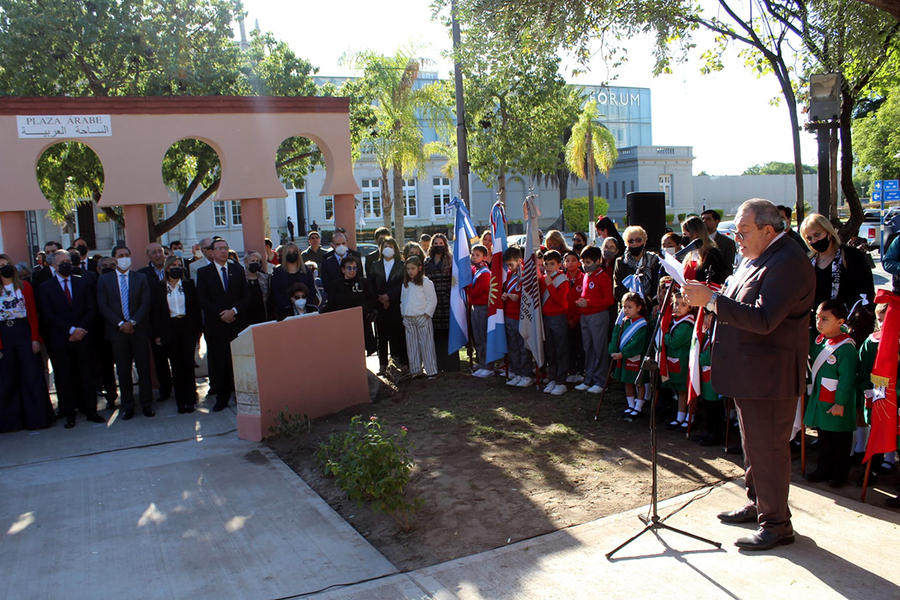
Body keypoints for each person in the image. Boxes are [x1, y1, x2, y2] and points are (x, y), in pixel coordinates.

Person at [683, 198, 815, 551]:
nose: (735, 239)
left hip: (769, 375)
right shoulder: (758, 256)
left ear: (768, 230)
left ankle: (777, 524)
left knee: (769, 448)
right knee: (753, 444)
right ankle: (759, 504)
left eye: (742, 232)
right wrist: (711, 295)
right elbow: (738, 300)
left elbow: (764, 318)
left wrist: (711, 302)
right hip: (750, 370)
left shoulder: (788, 261)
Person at [37, 250, 104, 428]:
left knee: (87, 374)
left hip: (84, 337)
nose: (66, 264)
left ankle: (91, 410)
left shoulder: (82, 283)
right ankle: (69, 413)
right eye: (62, 262)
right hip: (61, 339)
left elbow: (91, 309)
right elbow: (48, 315)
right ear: (53, 265)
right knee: (64, 376)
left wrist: (81, 329)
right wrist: (71, 330)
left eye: (68, 261)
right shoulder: (45, 288)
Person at [96, 244, 155, 420]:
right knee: (123, 370)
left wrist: (133, 321)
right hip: (117, 331)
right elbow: (103, 305)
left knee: (143, 368)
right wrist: (121, 323)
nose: (124, 258)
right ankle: (127, 405)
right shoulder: (105, 280)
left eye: (126, 255)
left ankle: (146, 404)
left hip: (138, 330)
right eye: (120, 255)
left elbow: (145, 303)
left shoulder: (140, 278)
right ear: (114, 259)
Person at [804, 299, 858, 488]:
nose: (819, 322)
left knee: (839, 441)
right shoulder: (820, 340)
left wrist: (840, 402)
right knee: (824, 438)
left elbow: (847, 379)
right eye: (817, 318)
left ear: (840, 322)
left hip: (836, 401)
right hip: (822, 399)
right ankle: (823, 469)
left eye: (825, 319)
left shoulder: (846, 347)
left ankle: (839, 474)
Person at [0, 253, 53, 432]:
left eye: (6, 264)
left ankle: (37, 418)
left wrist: (35, 339)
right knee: (8, 378)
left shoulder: (25, 287)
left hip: (24, 333)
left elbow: (32, 315)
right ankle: (11, 421)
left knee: (31, 375)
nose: (4, 268)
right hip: (4, 334)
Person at [196, 238, 249, 412]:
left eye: (226, 248)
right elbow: (202, 299)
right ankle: (222, 397)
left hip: (236, 323)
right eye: (219, 249)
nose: (224, 251)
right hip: (216, 325)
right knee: (220, 362)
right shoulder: (204, 273)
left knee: (238, 361)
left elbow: (246, 295)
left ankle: (241, 394)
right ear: (212, 252)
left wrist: (234, 311)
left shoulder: (237, 269)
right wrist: (222, 314)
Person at [150, 256, 201, 413]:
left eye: (179, 265)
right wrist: (157, 334)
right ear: (167, 268)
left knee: (188, 364)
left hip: (187, 327)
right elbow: (155, 313)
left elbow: (196, 309)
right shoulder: (159, 287)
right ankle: (181, 401)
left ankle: (190, 399)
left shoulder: (188, 285)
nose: (177, 268)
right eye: (173, 265)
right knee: (176, 365)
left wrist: (198, 331)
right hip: (170, 328)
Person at [800, 213, 874, 314]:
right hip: (817, 322)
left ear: (829, 233)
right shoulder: (808, 262)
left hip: (847, 321)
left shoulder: (851, 256)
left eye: (817, 235)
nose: (814, 241)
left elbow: (866, 290)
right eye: (809, 238)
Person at [574, 246, 614, 394]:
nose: (585, 265)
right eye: (583, 262)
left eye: (588, 262)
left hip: (598, 316)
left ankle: (600, 380)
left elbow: (609, 300)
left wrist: (589, 303)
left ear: (598, 261)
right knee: (588, 348)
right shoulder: (587, 275)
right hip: (585, 315)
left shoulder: (603, 277)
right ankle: (589, 378)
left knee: (599, 348)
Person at [139, 242, 172, 402]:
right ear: (149, 256)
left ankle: (181, 388)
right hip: (156, 324)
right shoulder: (142, 275)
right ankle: (164, 389)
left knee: (179, 358)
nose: (158, 255)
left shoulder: (174, 268)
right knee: (160, 361)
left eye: (160, 251)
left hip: (175, 321)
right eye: (154, 253)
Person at [609, 292, 649, 420]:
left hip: (635, 358)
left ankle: (639, 406)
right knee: (627, 381)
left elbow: (637, 343)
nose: (626, 310)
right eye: (624, 307)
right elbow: (618, 337)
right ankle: (631, 405)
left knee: (638, 382)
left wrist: (623, 353)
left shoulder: (642, 324)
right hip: (624, 358)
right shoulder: (624, 322)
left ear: (639, 307)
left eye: (629, 307)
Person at [370, 237, 407, 374]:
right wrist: (380, 298)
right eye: (386, 246)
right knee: (381, 337)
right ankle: (383, 365)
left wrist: (389, 296)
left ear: (395, 249)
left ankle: (400, 362)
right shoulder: (375, 265)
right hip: (380, 307)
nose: (388, 248)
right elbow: (371, 284)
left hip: (396, 305)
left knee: (398, 334)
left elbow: (402, 284)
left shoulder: (401, 265)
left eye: (391, 246)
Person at [661, 291, 695, 431]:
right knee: (680, 391)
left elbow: (674, 342)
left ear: (690, 307)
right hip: (675, 362)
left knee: (688, 391)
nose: (678, 307)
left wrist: (665, 335)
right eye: (675, 304)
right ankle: (680, 416)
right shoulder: (674, 321)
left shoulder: (686, 324)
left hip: (684, 362)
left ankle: (690, 417)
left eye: (683, 305)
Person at [424, 233, 458, 373]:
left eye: (441, 243)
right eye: (436, 244)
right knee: (436, 335)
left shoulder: (451, 261)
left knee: (449, 334)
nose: (438, 246)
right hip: (433, 303)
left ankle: (452, 364)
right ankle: (439, 364)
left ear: (445, 245)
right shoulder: (427, 262)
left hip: (448, 302)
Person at [323, 256, 375, 344]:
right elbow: (331, 305)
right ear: (343, 270)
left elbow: (372, 300)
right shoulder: (335, 285)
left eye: (354, 268)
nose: (352, 270)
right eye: (349, 268)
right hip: (342, 325)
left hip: (361, 324)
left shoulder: (364, 283)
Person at [400, 256, 438, 378]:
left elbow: (432, 301)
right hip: (409, 318)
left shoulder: (426, 282)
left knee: (426, 345)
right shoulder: (405, 284)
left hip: (422, 317)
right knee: (412, 346)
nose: (410, 271)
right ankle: (416, 370)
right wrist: (403, 315)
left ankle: (431, 370)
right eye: (408, 269)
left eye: (413, 268)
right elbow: (402, 300)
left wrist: (426, 315)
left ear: (419, 268)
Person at [540, 250, 570, 396]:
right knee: (550, 350)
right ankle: (552, 377)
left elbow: (562, 303)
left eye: (552, 264)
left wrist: (550, 285)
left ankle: (561, 380)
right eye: (546, 264)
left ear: (559, 264)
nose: (548, 267)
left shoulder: (562, 280)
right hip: (546, 318)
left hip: (558, 318)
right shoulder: (544, 278)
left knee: (560, 349)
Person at [501, 246, 532, 387]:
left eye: (511, 264)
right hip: (509, 315)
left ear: (520, 261)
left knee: (522, 347)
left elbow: (529, 296)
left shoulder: (525, 274)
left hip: (521, 316)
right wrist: (505, 296)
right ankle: (517, 372)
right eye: (507, 265)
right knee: (513, 346)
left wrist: (517, 297)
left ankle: (526, 374)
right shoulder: (510, 275)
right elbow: (508, 289)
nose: (509, 267)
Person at [93, 256, 118, 410]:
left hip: (121, 331)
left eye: (112, 266)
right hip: (101, 334)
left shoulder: (122, 283)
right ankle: (110, 397)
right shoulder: (93, 285)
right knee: (105, 368)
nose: (108, 268)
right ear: (98, 269)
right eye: (104, 266)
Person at [613, 225, 660, 307]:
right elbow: (617, 289)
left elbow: (657, 285)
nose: (634, 243)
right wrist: (634, 302)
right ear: (626, 243)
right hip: (628, 308)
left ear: (644, 241)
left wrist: (650, 300)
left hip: (649, 306)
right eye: (630, 241)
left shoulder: (654, 260)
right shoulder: (621, 262)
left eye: (638, 240)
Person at [271, 242, 317, 320]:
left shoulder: (306, 270)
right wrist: (287, 307)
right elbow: (275, 292)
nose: (292, 254)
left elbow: (312, 289)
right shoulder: (278, 272)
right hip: (285, 312)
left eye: (294, 252)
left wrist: (304, 304)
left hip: (306, 311)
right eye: (289, 252)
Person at [682, 216, 729, 285]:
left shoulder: (712, 254)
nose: (684, 237)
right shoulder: (689, 254)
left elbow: (716, 279)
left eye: (685, 234)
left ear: (695, 234)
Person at [467, 244, 492, 378]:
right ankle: (482, 363)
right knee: (478, 337)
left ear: (484, 257)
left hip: (482, 308)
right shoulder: (476, 271)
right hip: (475, 307)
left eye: (478, 255)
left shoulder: (485, 273)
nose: (474, 257)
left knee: (483, 337)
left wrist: (468, 286)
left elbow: (476, 292)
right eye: (473, 254)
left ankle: (488, 365)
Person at [563, 250, 584, 383]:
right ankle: (570, 370)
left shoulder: (584, 277)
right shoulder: (561, 278)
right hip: (565, 318)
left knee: (580, 345)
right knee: (567, 345)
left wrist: (575, 319)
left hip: (579, 318)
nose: (570, 263)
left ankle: (580, 370)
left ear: (579, 262)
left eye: (573, 260)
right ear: (564, 264)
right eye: (567, 261)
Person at [700, 209, 736, 274]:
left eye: (708, 219)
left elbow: (728, 267)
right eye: (703, 219)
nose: (704, 221)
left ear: (717, 221)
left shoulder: (727, 242)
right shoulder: (697, 241)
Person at [243, 251, 272, 325]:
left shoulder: (264, 278)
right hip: (246, 316)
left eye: (257, 261)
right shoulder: (241, 278)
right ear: (246, 263)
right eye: (252, 261)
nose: (255, 263)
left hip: (262, 314)